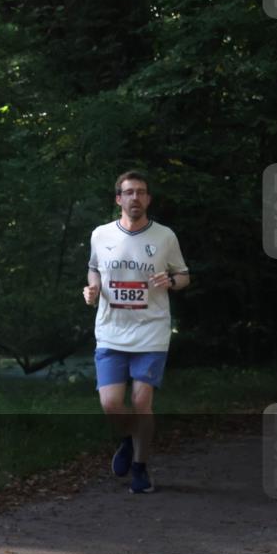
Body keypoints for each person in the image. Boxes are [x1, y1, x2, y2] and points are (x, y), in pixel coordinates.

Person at [83, 170, 190, 494]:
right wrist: (92, 288)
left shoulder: (165, 237)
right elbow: (93, 269)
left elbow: (184, 275)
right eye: (129, 192)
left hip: (151, 331)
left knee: (142, 401)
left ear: (148, 199)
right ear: (118, 199)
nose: (135, 198)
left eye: (141, 192)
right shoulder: (100, 235)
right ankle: (129, 438)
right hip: (111, 331)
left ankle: (141, 468)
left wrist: (170, 282)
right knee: (111, 404)